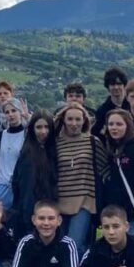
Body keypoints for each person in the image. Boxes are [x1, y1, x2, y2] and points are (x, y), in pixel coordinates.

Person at [53, 102, 106, 258]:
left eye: (78, 119)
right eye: (70, 119)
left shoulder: (93, 142)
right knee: (58, 246)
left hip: (84, 202)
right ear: (63, 120)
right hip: (59, 201)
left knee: (74, 245)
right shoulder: (55, 143)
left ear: (84, 121)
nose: (74, 123)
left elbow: (104, 170)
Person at [10, 109, 57, 240]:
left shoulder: (51, 150)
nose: (43, 131)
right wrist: (30, 217)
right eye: (39, 127)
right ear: (32, 129)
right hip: (32, 214)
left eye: (47, 127)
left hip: (48, 210)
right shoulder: (29, 154)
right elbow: (25, 190)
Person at [0, 97, 26, 210]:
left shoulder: (27, 135)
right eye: (7, 112)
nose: (10, 114)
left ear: (20, 112)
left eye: (14, 111)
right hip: (1, 187)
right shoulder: (0, 135)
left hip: (19, 187)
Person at [91, 66, 130, 139]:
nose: (116, 87)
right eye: (112, 84)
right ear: (108, 86)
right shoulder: (102, 111)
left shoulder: (132, 106)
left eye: (119, 84)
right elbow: (96, 133)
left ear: (124, 85)